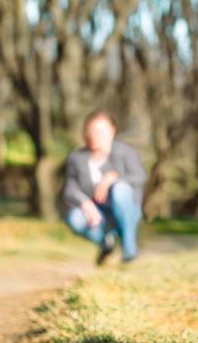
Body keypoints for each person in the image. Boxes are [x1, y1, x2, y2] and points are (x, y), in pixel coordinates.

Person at [61, 110, 147, 265]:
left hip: (126, 208)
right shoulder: (77, 158)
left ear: (112, 131)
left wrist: (113, 178)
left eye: (100, 131)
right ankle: (106, 242)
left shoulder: (126, 153)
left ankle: (129, 249)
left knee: (120, 189)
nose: (95, 135)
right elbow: (70, 188)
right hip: (98, 212)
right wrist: (84, 203)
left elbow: (140, 177)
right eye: (91, 131)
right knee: (75, 218)